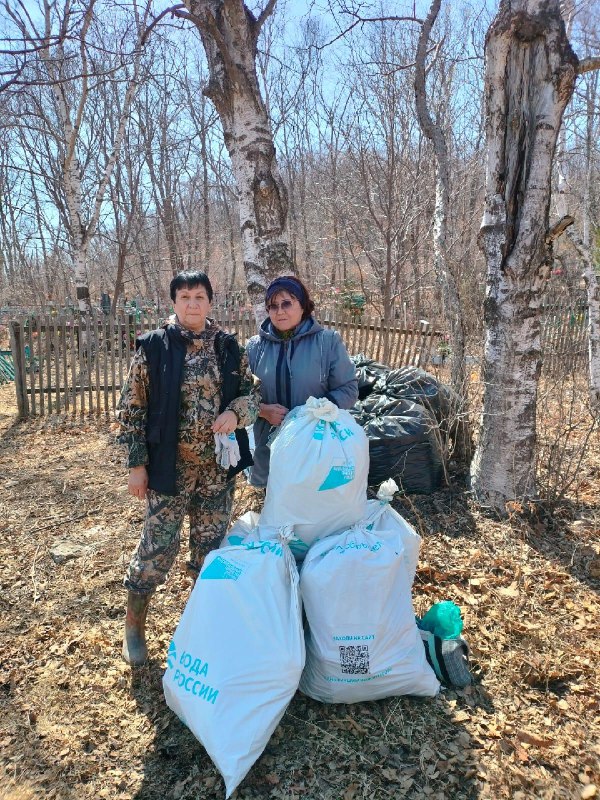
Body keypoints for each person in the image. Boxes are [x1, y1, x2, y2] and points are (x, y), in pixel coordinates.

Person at [116, 270, 261, 665]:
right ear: (174, 303)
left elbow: (252, 392)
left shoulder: (229, 347)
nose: (192, 304)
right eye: (184, 297)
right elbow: (131, 410)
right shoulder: (153, 348)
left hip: (216, 471)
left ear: (210, 302)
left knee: (209, 551)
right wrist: (136, 465)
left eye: (199, 296)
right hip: (169, 470)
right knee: (156, 548)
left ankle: (202, 624)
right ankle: (134, 626)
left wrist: (235, 411)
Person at [245, 274, 358, 487]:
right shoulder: (254, 347)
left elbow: (348, 389)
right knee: (276, 503)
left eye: (287, 303)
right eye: (273, 306)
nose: (280, 311)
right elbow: (240, 394)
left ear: (303, 305)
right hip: (270, 443)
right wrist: (262, 410)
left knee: (311, 502)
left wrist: (314, 412)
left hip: (317, 442)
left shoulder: (327, 342)